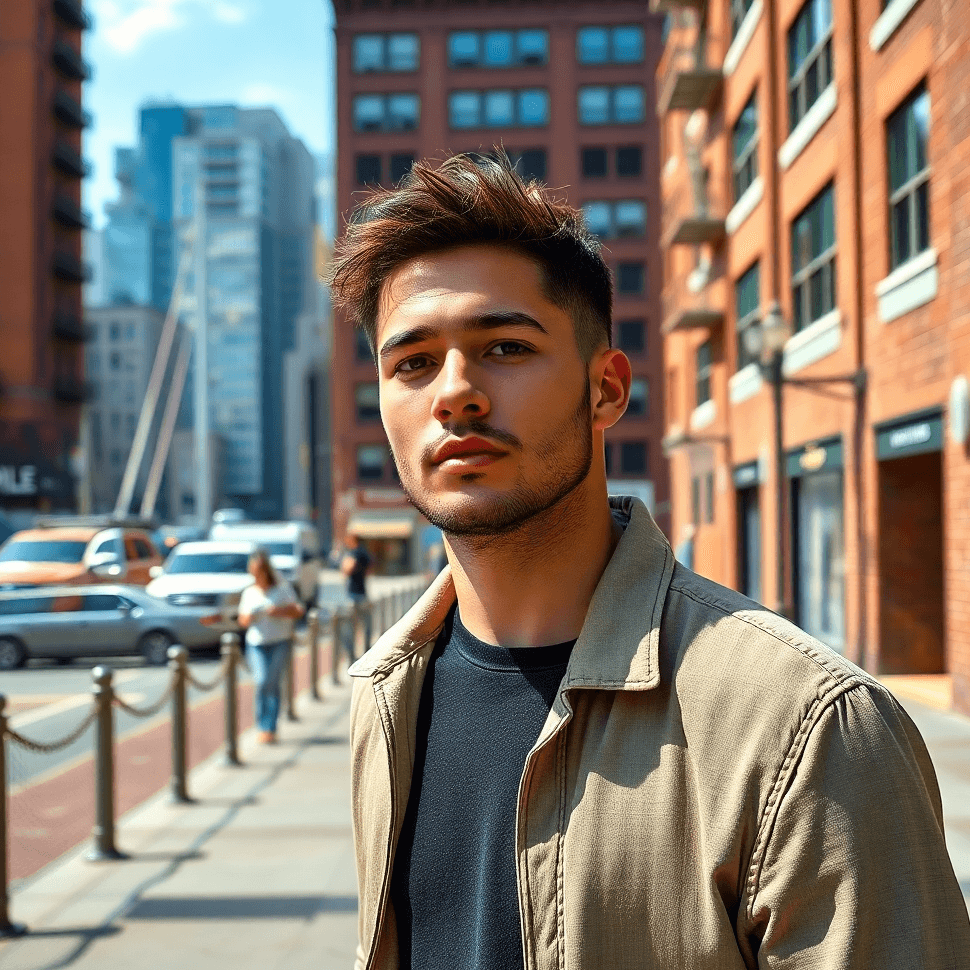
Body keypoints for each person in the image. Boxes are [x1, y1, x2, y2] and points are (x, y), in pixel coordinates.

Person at [326, 153, 970, 969]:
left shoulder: (807, 728)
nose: (454, 391)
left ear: (606, 390)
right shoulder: (385, 697)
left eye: (506, 347)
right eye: (411, 363)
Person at [237, 548, 304, 744]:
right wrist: (250, 617)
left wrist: (278, 611)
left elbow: (298, 610)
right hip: (256, 643)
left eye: (259, 570)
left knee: (272, 684)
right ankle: (262, 725)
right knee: (261, 681)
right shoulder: (249, 592)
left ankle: (270, 727)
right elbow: (242, 620)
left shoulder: (281, 589)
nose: (256, 575)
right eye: (253, 571)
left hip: (279, 641)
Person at [340, 532, 371, 662]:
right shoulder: (364, 552)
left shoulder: (354, 553)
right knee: (365, 627)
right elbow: (370, 569)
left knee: (348, 629)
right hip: (362, 593)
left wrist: (344, 564)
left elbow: (347, 568)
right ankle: (366, 653)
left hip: (354, 595)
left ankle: (352, 657)